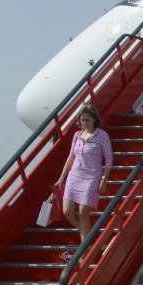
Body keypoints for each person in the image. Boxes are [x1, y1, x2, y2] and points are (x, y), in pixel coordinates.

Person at [55, 104, 112, 249]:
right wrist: (62, 177)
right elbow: (70, 157)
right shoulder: (77, 135)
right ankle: (88, 233)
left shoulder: (101, 135)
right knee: (67, 210)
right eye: (82, 120)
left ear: (94, 119)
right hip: (75, 175)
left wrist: (104, 179)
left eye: (87, 120)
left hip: (92, 176)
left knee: (83, 211)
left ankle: (84, 250)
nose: (84, 123)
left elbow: (109, 158)